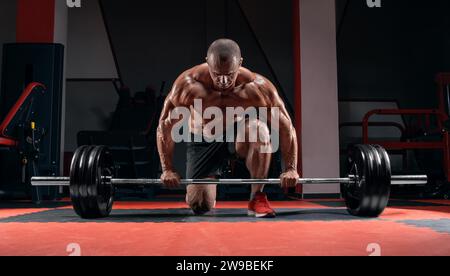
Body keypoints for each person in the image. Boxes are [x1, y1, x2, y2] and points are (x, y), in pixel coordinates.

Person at [157, 39, 299, 218]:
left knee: (259, 130)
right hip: (204, 140)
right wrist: (167, 169)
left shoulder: (258, 87)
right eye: (217, 74)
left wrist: (291, 168)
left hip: (238, 137)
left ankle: (257, 197)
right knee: (200, 205)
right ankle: (206, 189)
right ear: (207, 62)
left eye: (230, 74)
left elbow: (286, 127)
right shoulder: (188, 85)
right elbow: (164, 127)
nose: (223, 81)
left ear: (240, 63)